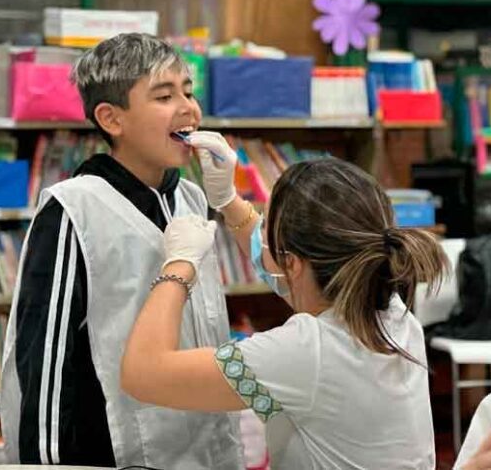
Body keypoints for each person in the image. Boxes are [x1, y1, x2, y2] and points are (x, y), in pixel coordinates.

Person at [0, 33, 244, 468]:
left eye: (188, 92)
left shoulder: (191, 196)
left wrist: (228, 200)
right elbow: (44, 368)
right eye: (164, 96)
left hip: (206, 449)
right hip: (119, 453)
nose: (188, 108)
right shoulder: (73, 209)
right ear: (111, 119)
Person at [122, 155, 449, 468]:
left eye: (266, 227)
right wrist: (228, 201)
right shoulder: (392, 311)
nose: (260, 234)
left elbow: (143, 375)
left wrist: (179, 264)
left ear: (292, 262)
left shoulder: (305, 350)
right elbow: (288, 275)